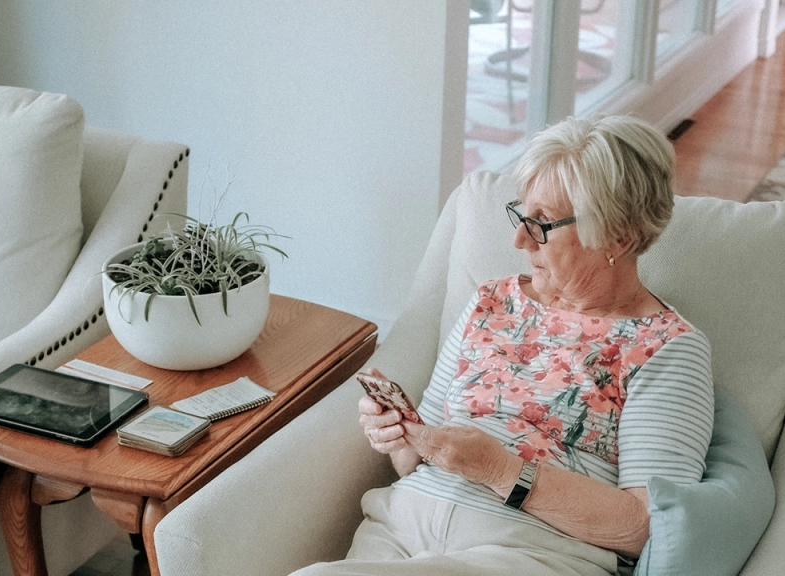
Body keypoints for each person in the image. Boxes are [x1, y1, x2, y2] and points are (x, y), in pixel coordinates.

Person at [294, 115, 715, 576]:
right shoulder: (493, 301)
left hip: (530, 555)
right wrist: (400, 433)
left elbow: (645, 529)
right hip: (398, 532)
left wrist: (499, 469)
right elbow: (413, 462)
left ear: (619, 236)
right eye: (522, 215)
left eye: (542, 224)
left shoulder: (667, 349)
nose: (518, 239)